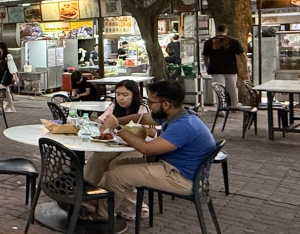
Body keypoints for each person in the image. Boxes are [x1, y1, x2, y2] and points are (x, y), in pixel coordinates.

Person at [89, 80, 216, 221]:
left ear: (166, 104)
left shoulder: (183, 125)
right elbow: (141, 118)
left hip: (182, 178)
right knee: (115, 164)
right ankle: (114, 205)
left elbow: (147, 149)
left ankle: (103, 215)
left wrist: (117, 128)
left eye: (151, 102)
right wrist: (115, 120)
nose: (148, 105)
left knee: (115, 176)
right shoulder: (176, 115)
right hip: (175, 167)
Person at [84, 80, 156, 185]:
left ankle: (115, 197)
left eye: (125, 95)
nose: (121, 98)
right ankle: (85, 189)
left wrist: (129, 128)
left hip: (136, 147)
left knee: (116, 164)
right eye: (118, 94)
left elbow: (152, 132)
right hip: (117, 144)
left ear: (134, 95)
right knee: (98, 157)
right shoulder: (114, 106)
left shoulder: (142, 107)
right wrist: (89, 124)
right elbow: (100, 121)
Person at [203, 24, 243, 107]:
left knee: (220, 89)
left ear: (217, 30)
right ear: (226, 30)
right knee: (232, 88)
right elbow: (242, 55)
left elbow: (206, 57)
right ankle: (234, 105)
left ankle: (221, 107)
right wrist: (244, 67)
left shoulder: (209, 42)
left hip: (215, 69)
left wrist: (208, 66)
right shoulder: (234, 41)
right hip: (230, 69)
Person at [0, 41, 19, 112]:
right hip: (1, 75)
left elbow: (12, 66)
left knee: (0, 90)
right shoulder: (0, 56)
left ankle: (0, 106)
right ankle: (11, 107)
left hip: (6, 75)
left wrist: (15, 76)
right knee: (7, 92)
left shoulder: (8, 56)